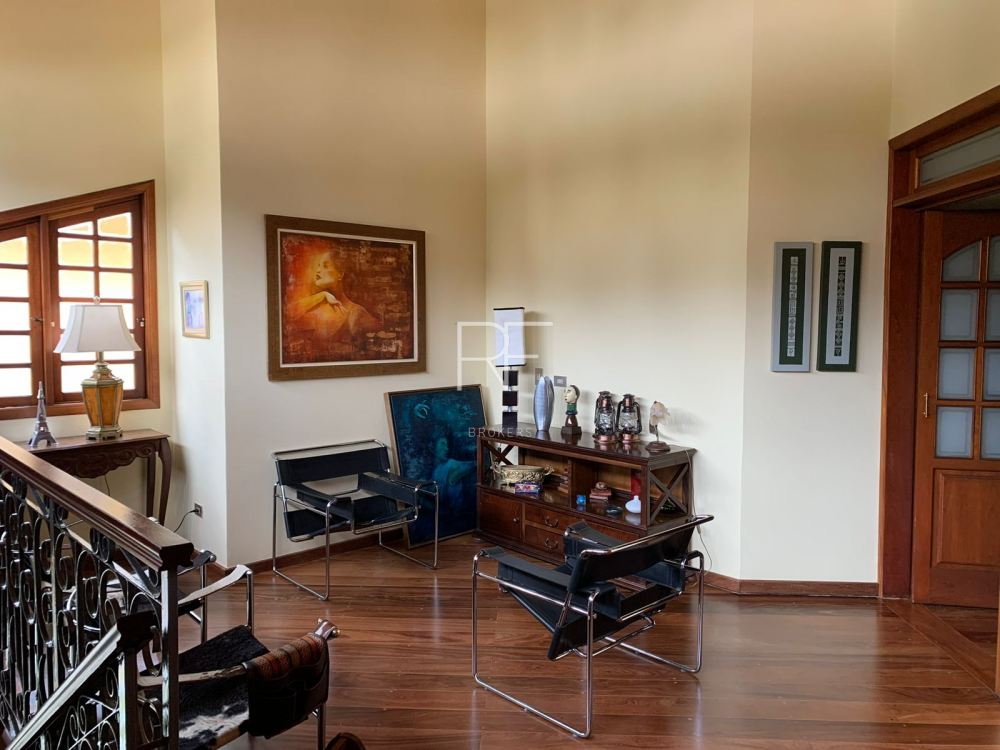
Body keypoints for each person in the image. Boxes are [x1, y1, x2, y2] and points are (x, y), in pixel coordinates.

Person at [288, 250, 378, 342]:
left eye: (325, 266)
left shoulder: (356, 313)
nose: (318, 270)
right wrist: (323, 295)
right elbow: (286, 314)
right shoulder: (316, 308)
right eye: (318, 266)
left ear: (340, 274)